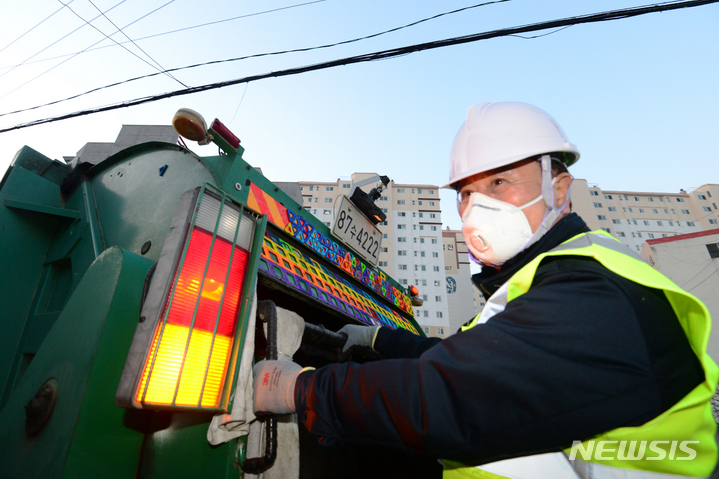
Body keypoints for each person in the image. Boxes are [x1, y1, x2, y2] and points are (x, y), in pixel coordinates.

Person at [253, 102, 718, 478]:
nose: (478, 208)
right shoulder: (535, 284)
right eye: (467, 192)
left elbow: (450, 395)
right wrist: (377, 337)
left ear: (560, 188)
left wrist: (300, 388)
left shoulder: (597, 286)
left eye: (500, 182)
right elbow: (458, 356)